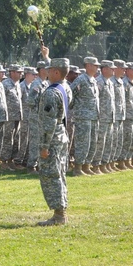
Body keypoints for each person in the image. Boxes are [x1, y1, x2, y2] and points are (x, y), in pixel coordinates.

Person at [37, 51, 72, 226]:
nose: (46, 71)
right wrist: (47, 57)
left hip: (52, 139)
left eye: (49, 69)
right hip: (62, 136)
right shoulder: (65, 87)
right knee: (60, 173)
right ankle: (61, 210)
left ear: (56, 72)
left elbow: (48, 123)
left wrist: (44, 146)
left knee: (52, 175)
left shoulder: (51, 93)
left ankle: (59, 215)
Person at [70, 57, 100, 176]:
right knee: (83, 143)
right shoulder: (81, 79)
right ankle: (78, 168)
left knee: (92, 142)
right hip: (83, 117)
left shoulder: (93, 80)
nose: (97, 68)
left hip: (93, 116)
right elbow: (70, 93)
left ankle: (86, 166)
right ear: (88, 66)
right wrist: (76, 108)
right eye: (95, 65)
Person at [92, 60, 116, 173]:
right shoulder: (99, 82)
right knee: (100, 142)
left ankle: (104, 164)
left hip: (110, 117)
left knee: (108, 142)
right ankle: (96, 165)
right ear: (105, 69)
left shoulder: (110, 82)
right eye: (111, 68)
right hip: (101, 118)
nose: (113, 70)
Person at [0, 65, 24, 169]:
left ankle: (11, 160)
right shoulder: (5, 84)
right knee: (7, 138)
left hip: (17, 116)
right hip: (8, 116)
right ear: (12, 72)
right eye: (19, 72)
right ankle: (4, 161)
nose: (21, 74)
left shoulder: (17, 84)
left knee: (15, 139)